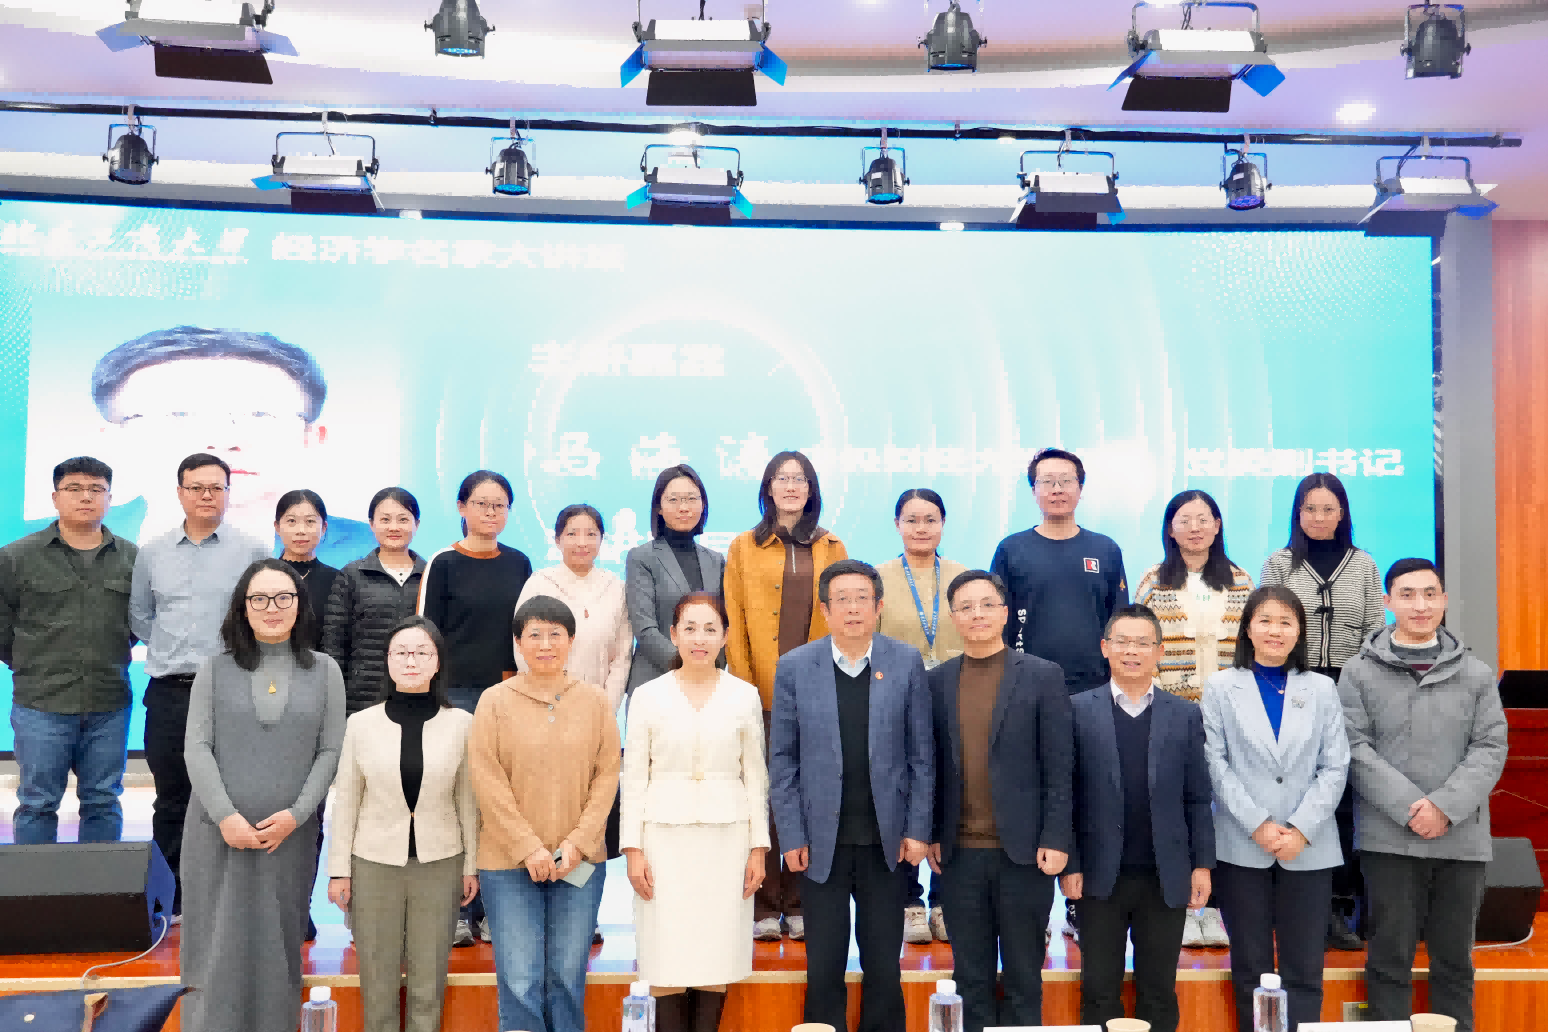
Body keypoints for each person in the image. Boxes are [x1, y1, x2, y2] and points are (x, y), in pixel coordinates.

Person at [1339, 558, 1507, 1032]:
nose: (1420, 605)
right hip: (1389, 839)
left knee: (1454, 962)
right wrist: (1410, 808)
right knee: (1388, 960)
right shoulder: (1358, 672)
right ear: (1388, 602)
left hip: (1461, 839)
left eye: (1430, 594)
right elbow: (1353, 746)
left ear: (1444, 601)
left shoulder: (1476, 673)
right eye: (1408, 594)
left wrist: (1444, 807)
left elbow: (1491, 746)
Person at [178, 559, 344, 1032]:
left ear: (300, 605)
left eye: (283, 597)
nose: (272, 607)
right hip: (216, 833)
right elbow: (197, 747)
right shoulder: (215, 669)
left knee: (277, 944)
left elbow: (330, 751)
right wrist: (226, 817)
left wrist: (297, 814)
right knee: (214, 944)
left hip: (288, 838)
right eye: (260, 598)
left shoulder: (325, 670)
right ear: (243, 608)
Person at [768, 559, 933, 1032]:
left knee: (883, 965)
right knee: (824, 966)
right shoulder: (795, 666)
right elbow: (783, 760)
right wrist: (791, 835)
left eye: (863, 598)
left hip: (887, 842)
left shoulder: (905, 662)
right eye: (842, 599)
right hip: (821, 843)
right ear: (825, 610)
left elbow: (922, 756)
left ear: (879, 607)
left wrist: (918, 829)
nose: (853, 608)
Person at [87, 326, 374, 564]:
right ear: (112, 438)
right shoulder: (65, 539)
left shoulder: (374, 551)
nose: (223, 440)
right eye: (180, 414)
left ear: (311, 438)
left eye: (260, 414)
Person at [991, 446, 1128, 943]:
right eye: (1046, 481)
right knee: (1034, 801)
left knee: (1091, 800)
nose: (1056, 489)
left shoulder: (1105, 549)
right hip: (1027, 695)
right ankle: (1034, 917)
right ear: (1033, 491)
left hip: (1093, 696)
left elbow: (1119, 624)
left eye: (1065, 480)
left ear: (1080, 488)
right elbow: (997, 623)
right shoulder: (1012, 550)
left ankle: (1081, 908)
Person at [925, 570, 1071, 1032]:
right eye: (966, 607)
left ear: (1005, 613)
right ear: (953, 618)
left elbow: (1060, 766)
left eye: (987, 604)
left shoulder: (1043, 676)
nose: (978, 614)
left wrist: (1056, 837)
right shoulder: (936, 681)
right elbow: (930, 766)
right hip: (959, 855)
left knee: (1025, 975)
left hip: (1025, 854)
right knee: (970, 977)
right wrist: (933, 832)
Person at [1200, 586, 1349, 1032]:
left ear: (1299, 631)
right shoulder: (1221, 687)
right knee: (1250, 967)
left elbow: (1335, 764)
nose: (1275, 630)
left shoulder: (1322, 688)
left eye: (1286, 621)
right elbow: (1215, 764)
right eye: (1265, 620)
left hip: (1309, 846)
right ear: (1247, 628)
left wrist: (1300, 829)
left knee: (1304, 969)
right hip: (1242, 845)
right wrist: (1259, 824)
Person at [1061, 604, 1213, 1032]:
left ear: (1160, 651)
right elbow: (1064, 796)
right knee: (1099, 990)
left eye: (1143, 643)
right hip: (1097, 877)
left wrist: (1201, 865)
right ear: (1105, 647)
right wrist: (1071, 864)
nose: (1132, 651)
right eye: (1122, 642)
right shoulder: (1076, 710)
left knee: (1159, 991)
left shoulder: (1184, 714)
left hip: (1165, 876)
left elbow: (1198, 798)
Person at [621, 592, 769, 1032]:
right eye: (689, 628)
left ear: (724, 636)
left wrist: (758, 848)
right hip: (662, 841)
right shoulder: (647, 696)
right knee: (665, 954)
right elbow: (634, 777)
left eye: (709, 629)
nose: (699, 639)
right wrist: (632, 850)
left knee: (716, 953)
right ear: (673, 634)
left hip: (727, 840)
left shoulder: (744, 695)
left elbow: (755, 777)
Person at [471, 595, 620, 1032]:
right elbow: (487, 781)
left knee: (567, 978)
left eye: (556, 634)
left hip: (579, 862)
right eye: (534, 634)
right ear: (518, 643)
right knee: (520, 980)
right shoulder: (494, 702)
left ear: (572, 641)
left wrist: (577, 843)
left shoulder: (594, 701)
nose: (545, 644)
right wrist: (528, 847)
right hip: (508, 864)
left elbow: (607, 777)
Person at [129, 453, 269, 915]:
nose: (206, 495)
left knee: (231, 796)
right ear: (180, 492)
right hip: (170, 691)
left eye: (216, 487)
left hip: (231, 689)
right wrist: (171, 649)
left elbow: (263, 616)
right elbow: (140, 615)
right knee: (172, 797)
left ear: (228, 492)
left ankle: (227, 894)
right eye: (196, 487)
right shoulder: (152, 551)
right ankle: (169, 897)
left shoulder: (252, 550)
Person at [327, 616, 479, 1032]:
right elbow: (347, 801)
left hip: (440, 862)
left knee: (429, 980)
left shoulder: (462, 724)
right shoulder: (360, 724)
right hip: (373, 863)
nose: (411, 661)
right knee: (378, 979)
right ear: (388, 660)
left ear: (437, 662)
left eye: (422, 652)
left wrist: (471, 865)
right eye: (401, 653)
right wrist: (339, 870)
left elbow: (467, 800)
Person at [724, 449, 849, 942]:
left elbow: (844, 615)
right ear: (768, 488)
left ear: (811, 489)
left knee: (810, 795)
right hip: (760, 691)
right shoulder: (743, 546)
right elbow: (734, 618)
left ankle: (798, 901)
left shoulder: (832, 545)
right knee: (762, 795)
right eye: (782, 478)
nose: (791, 486)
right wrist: (743, 686)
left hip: (818, 691)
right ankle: (762, 901)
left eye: (800, 479)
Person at [1259, 473, 1385, 949]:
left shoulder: (1364, 564)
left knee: (1344, 800)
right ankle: (1289, 906)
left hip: (1351, 693)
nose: (1318, 517)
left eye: (1328, 509)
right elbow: (1265, 628)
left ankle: (1339, 907)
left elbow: (1375, 632)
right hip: (1293, 689)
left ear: (1342, 513)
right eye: (1309, 509)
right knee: (1293, 795)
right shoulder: (1279, 563)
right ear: (1297, 513)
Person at [1133, 488, 1253, 949]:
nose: (1195, 527)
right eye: (1185, 519)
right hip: (1172, 713)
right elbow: (1140, 645)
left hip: (1229, 713)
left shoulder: (1241, 581)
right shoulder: (1153, 581)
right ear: (1170, 528)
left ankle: (1216, 908)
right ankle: (1182, 907)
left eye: (1204, 519)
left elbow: (1251, 647)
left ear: (1217, 526)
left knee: (1222, 809)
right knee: (1178, 807)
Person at [419, 471, 533, 945]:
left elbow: (528, 630)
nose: (491, 512)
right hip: (456, 695)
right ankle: (458, 911)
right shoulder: (443, 562)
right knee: (456, 801)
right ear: (462, 508)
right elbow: (425, 633)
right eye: (482, 503)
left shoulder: (520, 563)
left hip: (508, 693)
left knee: (499, 803)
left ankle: (490, 911)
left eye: (499, 505)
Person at [0, 456, 138, 846]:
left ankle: (101, 887)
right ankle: (34, 887)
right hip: (41, 703)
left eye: (96, 489)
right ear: (55, 497)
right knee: (37, 803)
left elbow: (137, 623)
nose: (86, 497)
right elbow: (2, 626)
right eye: (74, 488)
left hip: (109, 702)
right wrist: (31, 662)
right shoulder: (16, 557)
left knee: (103, 802)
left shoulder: (132, 558)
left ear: (109, 498)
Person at [877, 488, 966, 945]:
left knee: (951, 794)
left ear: (943, 524)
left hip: (956, 700)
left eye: (930, 519)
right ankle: (908, 901)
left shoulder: (963, 578)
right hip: (896, 702)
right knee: (904, 794)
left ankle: (944, 901)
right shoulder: (877, 579)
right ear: (897, 525)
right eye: (911, 520)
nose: (921, 528)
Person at [516, 504, 632, 717]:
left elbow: (621, 657)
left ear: (601, 540)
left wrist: (606, 709)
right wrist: (545, 700)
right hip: (543, 705)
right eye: (572, 534)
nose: (582, 542)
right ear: (557, 540)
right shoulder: (540, 583)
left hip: (598, 707)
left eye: (591, 534)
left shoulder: (616, 587)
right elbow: (522, 647)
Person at [323, 488, 429, 715]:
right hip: (362, 699)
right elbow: (334, 642)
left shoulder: (431, 575)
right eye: (385, 519)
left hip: (419, 695)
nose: (394, 527)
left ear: (417, 525)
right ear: (371, 524)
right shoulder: (351, 575)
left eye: (403, 519)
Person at [625, 465, 726, 693]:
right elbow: (645, 629)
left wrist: (710, 667)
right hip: (654, 684)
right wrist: (689, 667)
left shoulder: (716, 560)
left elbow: (723, 625)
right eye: (673, 500)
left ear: (703, 504)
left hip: (708, 684)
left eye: (691, 498)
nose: (684, 507)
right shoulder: (641, 557)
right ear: (659, 508)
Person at [275, 489, 338, 649]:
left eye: (310, 521)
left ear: (324, 528)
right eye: (291, 521)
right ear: (277, 527)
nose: (301, 530)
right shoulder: (262, 577)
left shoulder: (339, 580)